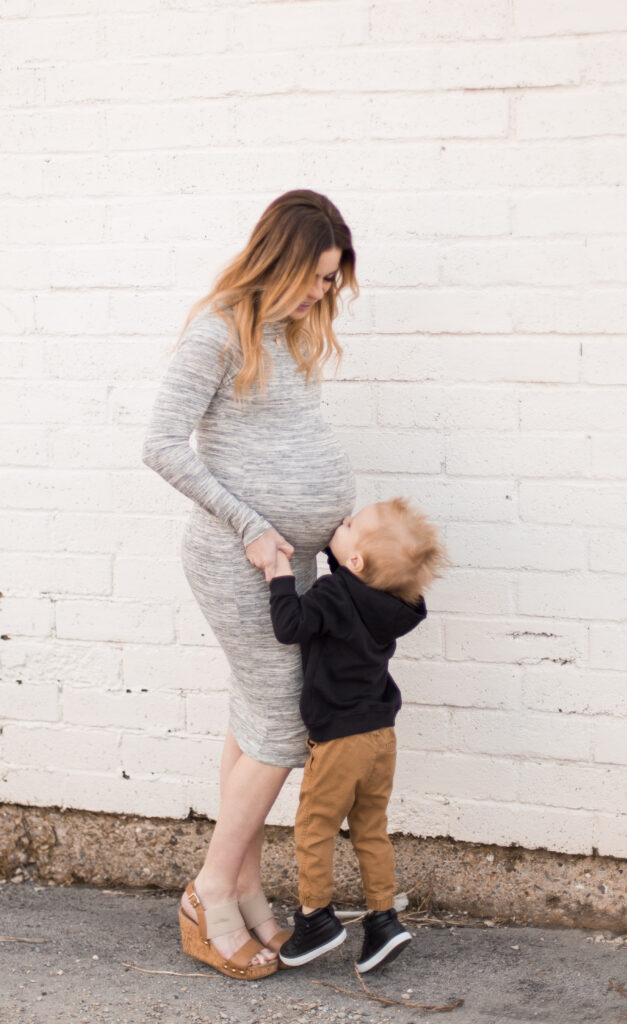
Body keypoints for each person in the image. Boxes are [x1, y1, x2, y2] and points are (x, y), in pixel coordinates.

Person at [142, 190, 358, 980]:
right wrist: (252, 527)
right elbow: (161, 445)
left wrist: (327, 526)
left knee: (254, 715)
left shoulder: (291, 329)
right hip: (244, 562)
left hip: (292, 561)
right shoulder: (217, 331)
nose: (323, 292)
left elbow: (290, 441)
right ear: (282, 256)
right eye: (317, 276)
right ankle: (208, 892)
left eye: (333, 281)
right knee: (277, 726)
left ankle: (240, 888)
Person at [265, 498, 446, 973]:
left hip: (339, 740)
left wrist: (278, 571)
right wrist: (340, 550)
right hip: (380, 737)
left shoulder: (332, 595)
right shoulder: (391, 603)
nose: (340, 522)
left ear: (355, 563)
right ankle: (384, 921)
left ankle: (315, 919)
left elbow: (290, 626)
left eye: (349, 524)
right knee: (370, 829)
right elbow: (352, 579)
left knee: (314, 828)